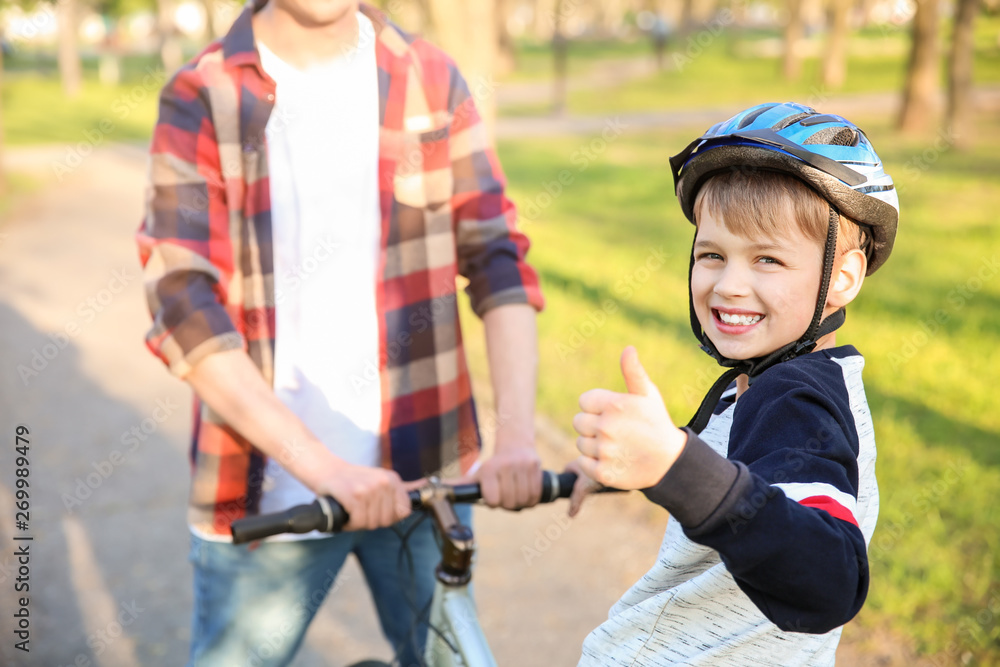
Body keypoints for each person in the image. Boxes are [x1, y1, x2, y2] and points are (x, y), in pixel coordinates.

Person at [135, 1, 545, 665]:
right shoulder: (202, 94)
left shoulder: (431, 79)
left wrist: (519, 437)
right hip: (268, 494)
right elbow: (183, 303)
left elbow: (498, 257)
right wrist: (327, 470)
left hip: (425, 480)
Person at [566, 102, 898, 665]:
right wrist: (624, 463)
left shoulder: (797, 400)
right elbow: (747, 478)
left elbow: (829, 579)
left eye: (767, 260)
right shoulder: (756, 384)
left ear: (841, 277)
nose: (729, 285)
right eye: (712, 254)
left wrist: (673, 466)